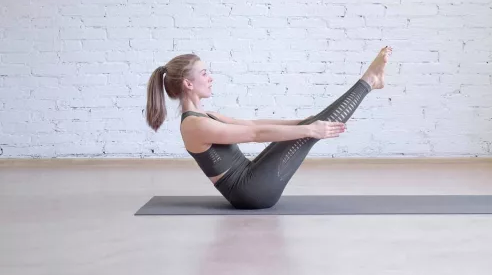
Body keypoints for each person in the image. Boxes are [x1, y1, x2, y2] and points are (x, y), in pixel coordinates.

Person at [146, 46, 392, 209]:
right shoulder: (194, 125)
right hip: (250, 192)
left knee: (310, 127)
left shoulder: (206, 114)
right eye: (204, 73)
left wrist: (303, 122)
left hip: (252, 178)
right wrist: (309, 130)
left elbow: (254, 124)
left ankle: (370, 82)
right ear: (188, 83)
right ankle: (369, 81)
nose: (210, 77)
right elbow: (254, 135)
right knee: (310, 132)